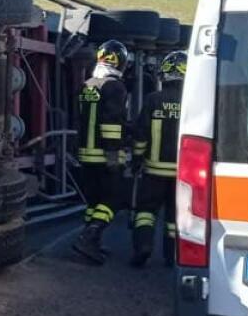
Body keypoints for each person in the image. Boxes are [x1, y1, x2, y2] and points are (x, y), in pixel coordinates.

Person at [72, 40, 130, 265]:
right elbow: (112, 123)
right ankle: (89, 237)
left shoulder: (88, 84)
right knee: (113, 200)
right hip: (104, 154)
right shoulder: (115, 87)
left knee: (93, 202)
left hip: (86, 154)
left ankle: (90, 242)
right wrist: (114, 154)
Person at [130, 50, 185, 267]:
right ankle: (171, 257)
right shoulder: (193, 101)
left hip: (153, 171)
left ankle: (143, 246)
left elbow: (141, 133)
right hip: (183, 174)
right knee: (175, 217)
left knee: (145, 211)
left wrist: (136, 159)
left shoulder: (153, 99)